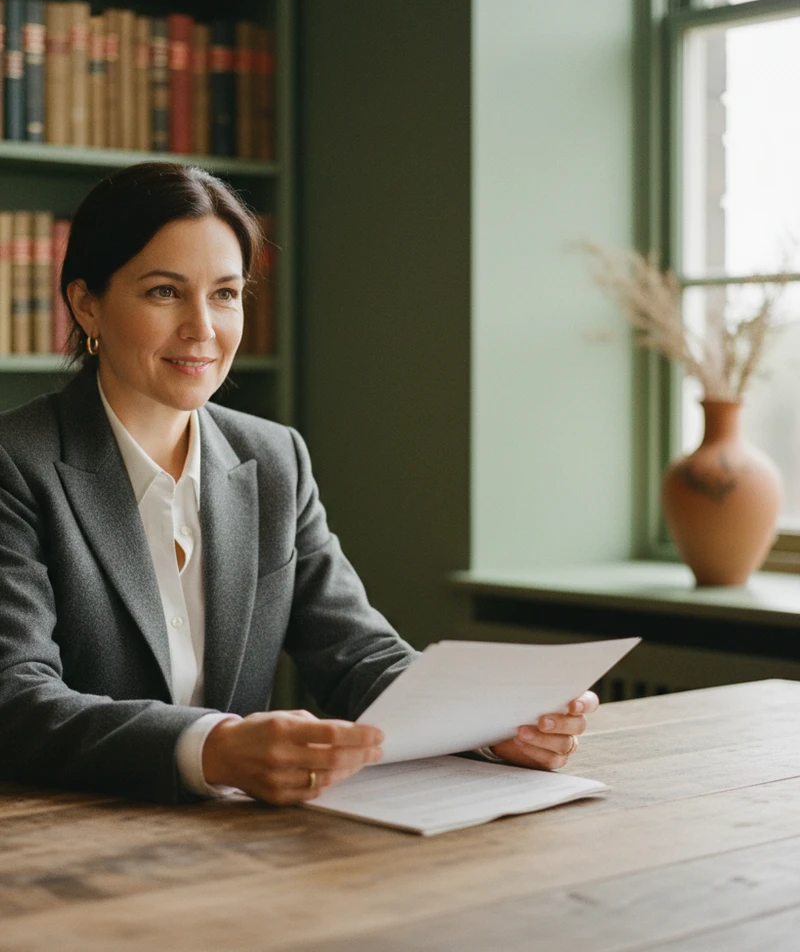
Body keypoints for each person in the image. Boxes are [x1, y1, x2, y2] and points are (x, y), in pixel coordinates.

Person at [0, 162, 598, 805]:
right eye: (165, 292)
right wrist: (213, 747)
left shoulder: (273, 459)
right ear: (87, 301)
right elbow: (17, 698)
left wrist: (490, 725)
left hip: (243, 847)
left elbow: (355, 653)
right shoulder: (17, 463)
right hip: (61, 848)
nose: (203, 327)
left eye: (225, 294)